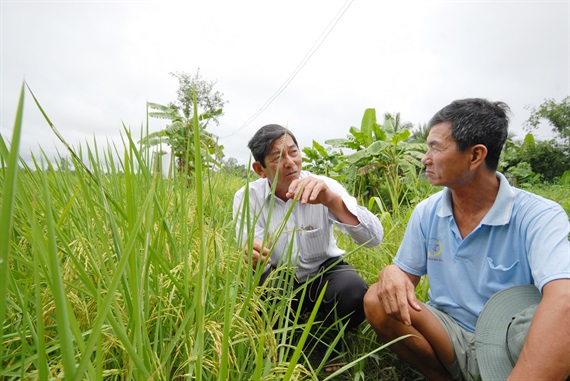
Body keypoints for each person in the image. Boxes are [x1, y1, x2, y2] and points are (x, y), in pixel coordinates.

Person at [363, 98, 570, 381]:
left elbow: (563, 298)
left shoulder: (539, 215)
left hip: (511, 340)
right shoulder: (427, 212)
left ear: (475, 156)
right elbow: (404, 283)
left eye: (436, 147)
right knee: (377, 298)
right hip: (448, 333)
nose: (425, 158)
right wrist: (391, 272)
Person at [233, 124, 384, 371]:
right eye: (277, 158)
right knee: (265, 289)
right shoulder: (247, 197)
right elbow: (250, 246)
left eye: (294, 152)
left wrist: (332, 201)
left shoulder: (324, 186)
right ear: (259, 169)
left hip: (324, 271)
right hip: (279, 273)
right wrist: (251, 250)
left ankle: (330, 338)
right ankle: (283, 347)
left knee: (354, 291)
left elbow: (374, 238)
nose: (291, 163)